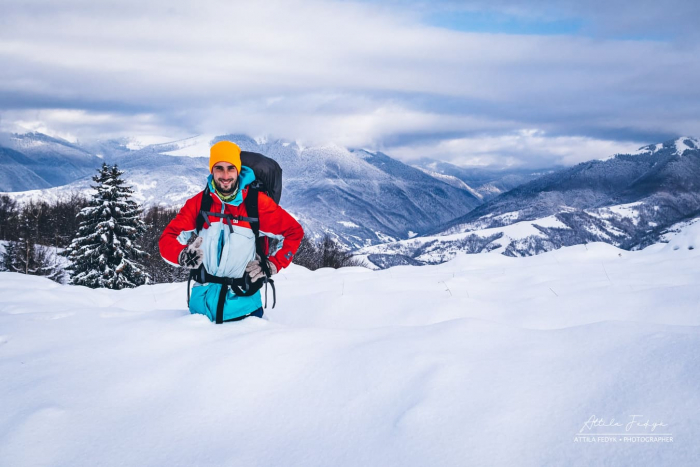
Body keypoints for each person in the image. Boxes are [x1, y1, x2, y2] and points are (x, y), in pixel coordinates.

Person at [159, 141, 303, 322]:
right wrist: (181, 255)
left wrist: (272, 264)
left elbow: (294, 232)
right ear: (212, 171)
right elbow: (167, 239)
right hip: (199, 315)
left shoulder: (256, 204)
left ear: (238, 170)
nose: (225, 175)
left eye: (230, 168)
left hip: (244, 312)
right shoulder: (199, 204)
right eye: (219, 168)